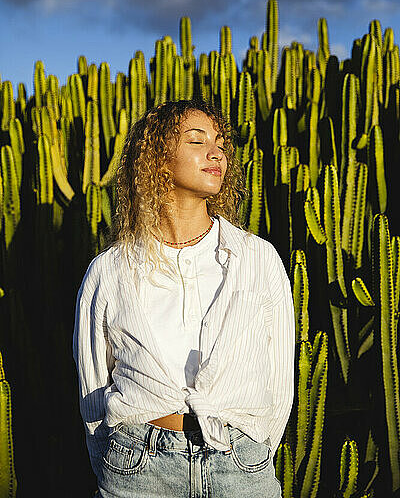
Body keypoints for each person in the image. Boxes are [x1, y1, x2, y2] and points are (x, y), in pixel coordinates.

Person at [72, 98, 295, 498]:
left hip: (240, 467)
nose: (217, 153)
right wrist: (118, 464)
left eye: (221, 144)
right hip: (138, 469)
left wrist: (251, 455)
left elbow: (279, 384)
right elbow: (92, 386)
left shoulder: (257, 259)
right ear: (157, 159)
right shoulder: (110, 271)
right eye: (197, 141)